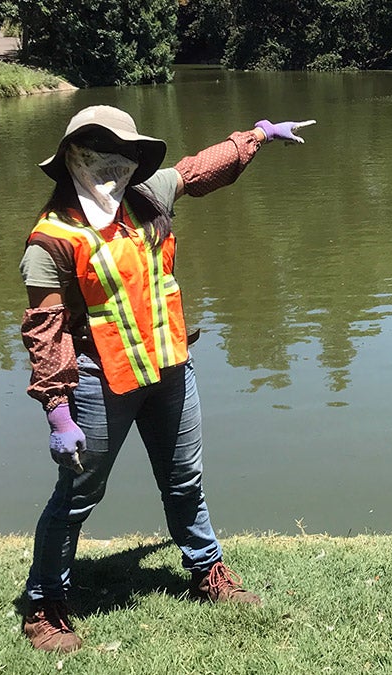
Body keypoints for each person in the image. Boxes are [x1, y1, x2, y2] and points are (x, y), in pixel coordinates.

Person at [18, 105, 316, 652]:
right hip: (99, 379)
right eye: (100, 153)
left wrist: (257, 136)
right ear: (73, 160)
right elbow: (46, 331)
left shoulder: (148, 194)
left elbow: (201, 169)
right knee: (80, 495)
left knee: (185, 480)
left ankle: (207, 571)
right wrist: (58, 412)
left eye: (124, 153)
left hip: (169, 366)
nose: (115, 163)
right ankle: (44, 604)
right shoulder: (52, 238)